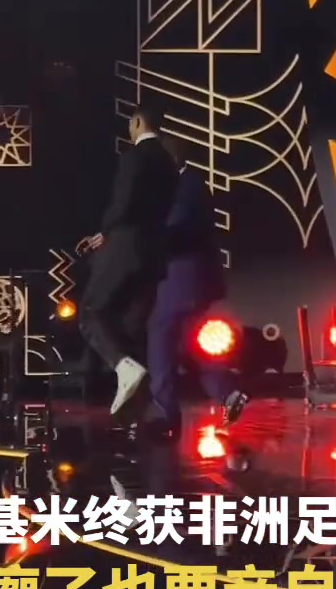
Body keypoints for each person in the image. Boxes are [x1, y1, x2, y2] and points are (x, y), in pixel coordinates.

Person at [77, 103, 179, 417]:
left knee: (91, 312)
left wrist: (105, 231)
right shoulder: (168, 162)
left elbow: (124, 202)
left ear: (136, 123)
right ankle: (136, 410)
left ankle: (123, 367)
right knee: (132, 327)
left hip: (125, 247)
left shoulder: (134, 157)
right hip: (154, 254)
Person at [146, 135, 248, 437]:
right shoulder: (187, 184)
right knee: (192, 342)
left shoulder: (186, 186)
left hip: (182, 277)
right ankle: (228, 393)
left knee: (160, 338)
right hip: (190, 278)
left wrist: (145, 240)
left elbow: (177, 231)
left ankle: (166, 414)